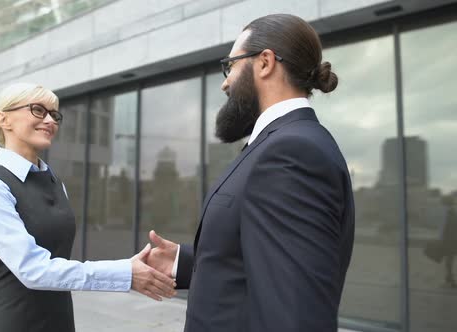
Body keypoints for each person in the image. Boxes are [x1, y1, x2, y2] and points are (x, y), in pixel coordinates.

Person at [146, 14, 355, 331]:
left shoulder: (291, 154)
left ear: (265, 63)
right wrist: (184, 262)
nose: (225, 82)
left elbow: (296, 314)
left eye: (230, 66)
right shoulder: (279, 146)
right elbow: (259, 263)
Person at [0, 83, 176, 332]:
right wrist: (123, 273)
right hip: (12, 323)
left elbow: (58, 260)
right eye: (38, 110)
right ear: (4, 119)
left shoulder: (55, 182)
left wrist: (129, 266)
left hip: (60, 321)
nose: (49, 120)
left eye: (54, 114)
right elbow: (33, 269)